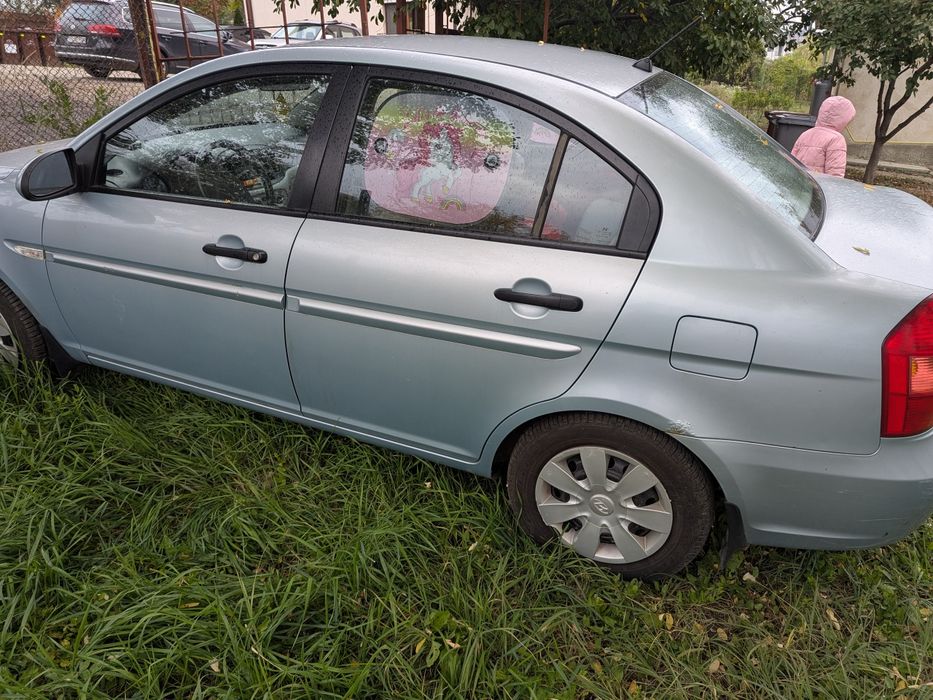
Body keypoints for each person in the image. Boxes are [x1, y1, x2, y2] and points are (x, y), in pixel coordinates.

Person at [791, 96, 856, 177]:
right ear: (843, 119)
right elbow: (835, 175)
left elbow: (791, 162)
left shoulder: (805, 134)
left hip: (799, 183)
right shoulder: (836, 139)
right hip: (819, 187)